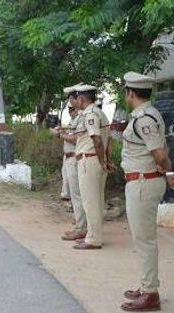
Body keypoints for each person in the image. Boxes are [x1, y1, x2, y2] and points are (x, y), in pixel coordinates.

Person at [119, 72, 174, 312]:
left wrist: (169, 172)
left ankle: (150, 293)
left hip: (143, 183)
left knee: (144, 240)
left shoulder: (143, 119)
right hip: (143, 181)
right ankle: (146, 286)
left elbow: (160, 154)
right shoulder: (150, 115)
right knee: (143, 238)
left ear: (130, 93)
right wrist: (169, 174)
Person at [71, 85, 112, 250]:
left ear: (82, 99)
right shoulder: (101, 113)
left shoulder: (90, 114)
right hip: (95, 160)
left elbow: (97, 139)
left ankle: (94, 239)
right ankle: (94, 235)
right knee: (97, 200)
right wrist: (107, 160)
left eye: (78, 98)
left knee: (91, 201)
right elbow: (109, 140)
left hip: (90, 160)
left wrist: (102, 161)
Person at [52, 87, 87, 242]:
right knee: (75, 194)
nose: (70, 107)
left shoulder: (83, 117)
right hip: (71, 158)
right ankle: (80, 222)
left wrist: (60, 134)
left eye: (71, 102)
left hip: (75, 158)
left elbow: (76, 139)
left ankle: (81, 227)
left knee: (78, 194)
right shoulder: (77, 119)